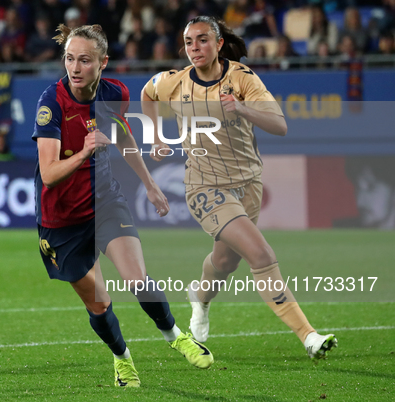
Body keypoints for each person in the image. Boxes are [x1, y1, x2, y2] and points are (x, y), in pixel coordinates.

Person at [141, 16, 337, 360]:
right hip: (204, 186)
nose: (194, 48)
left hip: (248, 186)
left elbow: (280, 125)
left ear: (218, 44)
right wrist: (154, 137)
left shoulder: (242, 79)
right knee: (261, 255)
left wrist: (243, 108)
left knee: (225, 261)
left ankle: (199, 296)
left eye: (202, 40)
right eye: (188, 42)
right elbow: (147, 92)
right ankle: (308, 335)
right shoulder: (174, 82)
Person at [33, 24, 213, 388]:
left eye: (85, 60)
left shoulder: (115, 93)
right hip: (61, 222)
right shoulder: (51, 104)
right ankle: (122, 358)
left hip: (105, 202)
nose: (75, 67)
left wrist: (149, 185)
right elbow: (49, 174)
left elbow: (123, 135)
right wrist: (84, 150)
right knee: (99, 304)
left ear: (103, 62)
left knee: (138, 279)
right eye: (70, 59)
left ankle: (176, 336)